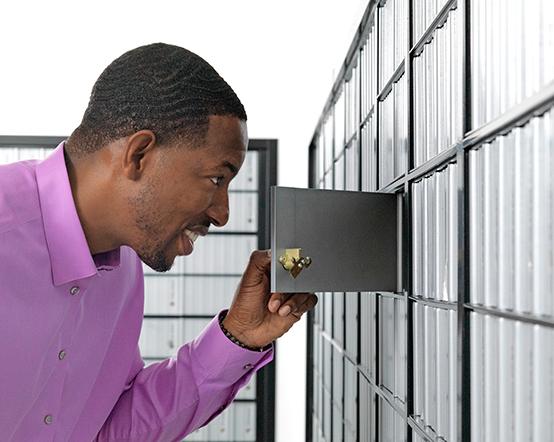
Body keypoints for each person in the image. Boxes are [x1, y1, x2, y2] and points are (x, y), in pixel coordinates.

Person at [0, 42, 317, 441]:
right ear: (140, 154)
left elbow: (113, 430)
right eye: (217, 179)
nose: (222, 214)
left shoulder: (123, 272)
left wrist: (239, 335)